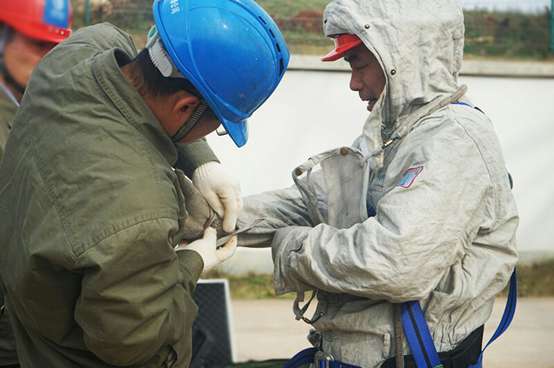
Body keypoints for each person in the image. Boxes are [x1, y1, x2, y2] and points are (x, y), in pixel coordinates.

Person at [0, 0, 288, 367]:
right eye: (217, 124)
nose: (213, 132)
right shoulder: (138, 209)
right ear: (185, 108)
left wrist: (201, 161)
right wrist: (189, 264)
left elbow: (134, 63)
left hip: (29, 309)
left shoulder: (72, 56)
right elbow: (129, 341)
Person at [237, 0, 518, 367]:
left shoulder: (454, 141)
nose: (354, 83)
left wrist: (294, 249)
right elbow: (319, 202)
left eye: (358, 64)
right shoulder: (390, 134)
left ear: (400, 55)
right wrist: (221, 215)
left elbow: (395, 261)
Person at [0, 1, 73, 366]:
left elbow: (132, 91)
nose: (47, 59)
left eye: (55, 47)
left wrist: (199, 161)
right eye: (36, 44)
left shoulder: (50, 99)